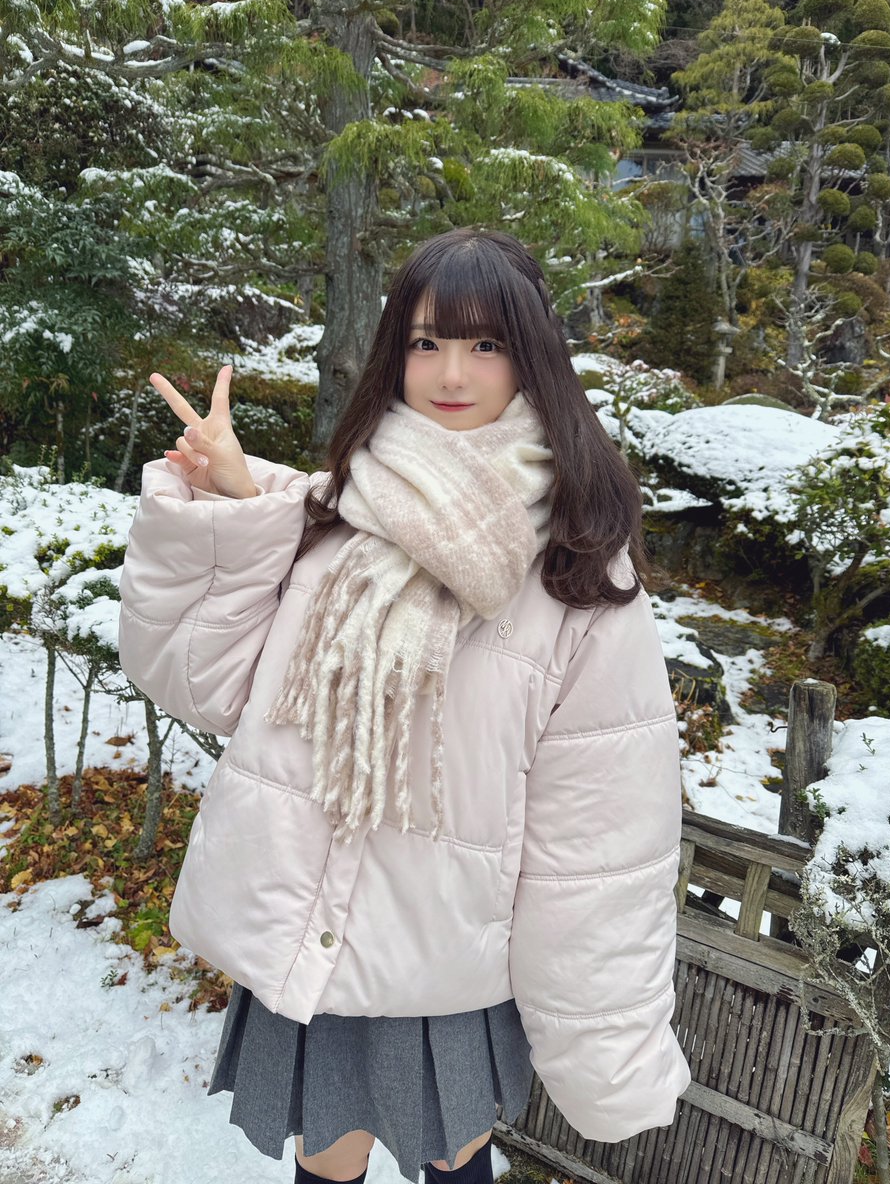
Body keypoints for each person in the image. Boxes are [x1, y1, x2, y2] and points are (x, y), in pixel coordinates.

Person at [117, 227, 691, 1184]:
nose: (451, 372)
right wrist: (228, 506)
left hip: (447, 955)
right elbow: (203, 685)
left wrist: (607, 1043)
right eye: (425, 342)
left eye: (484, 343)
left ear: (531, 354)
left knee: (453, 1160)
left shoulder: (577, 569)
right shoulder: (331, 516)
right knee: (325, 1159)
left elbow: (600, 839)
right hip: (312, 929)